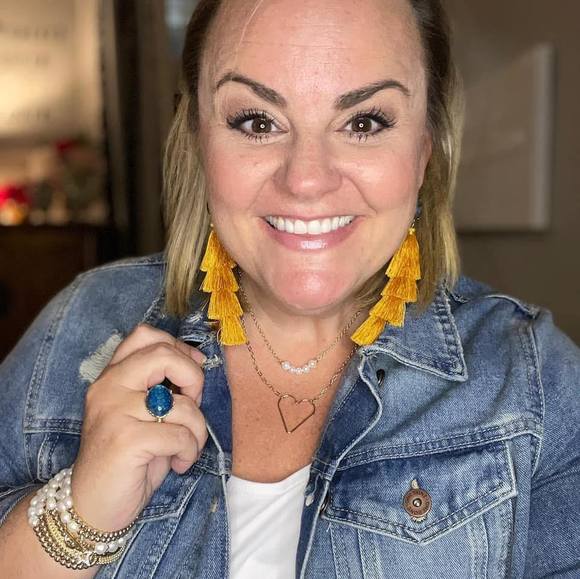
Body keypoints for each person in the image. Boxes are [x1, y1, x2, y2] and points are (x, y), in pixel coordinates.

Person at [0, 0, 578, 577]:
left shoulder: (533, 378)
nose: (305, 180)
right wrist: (78, 515)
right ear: (198, 138)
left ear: (425, 149)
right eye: (257, 122)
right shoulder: (78, 327)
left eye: (364, 123)